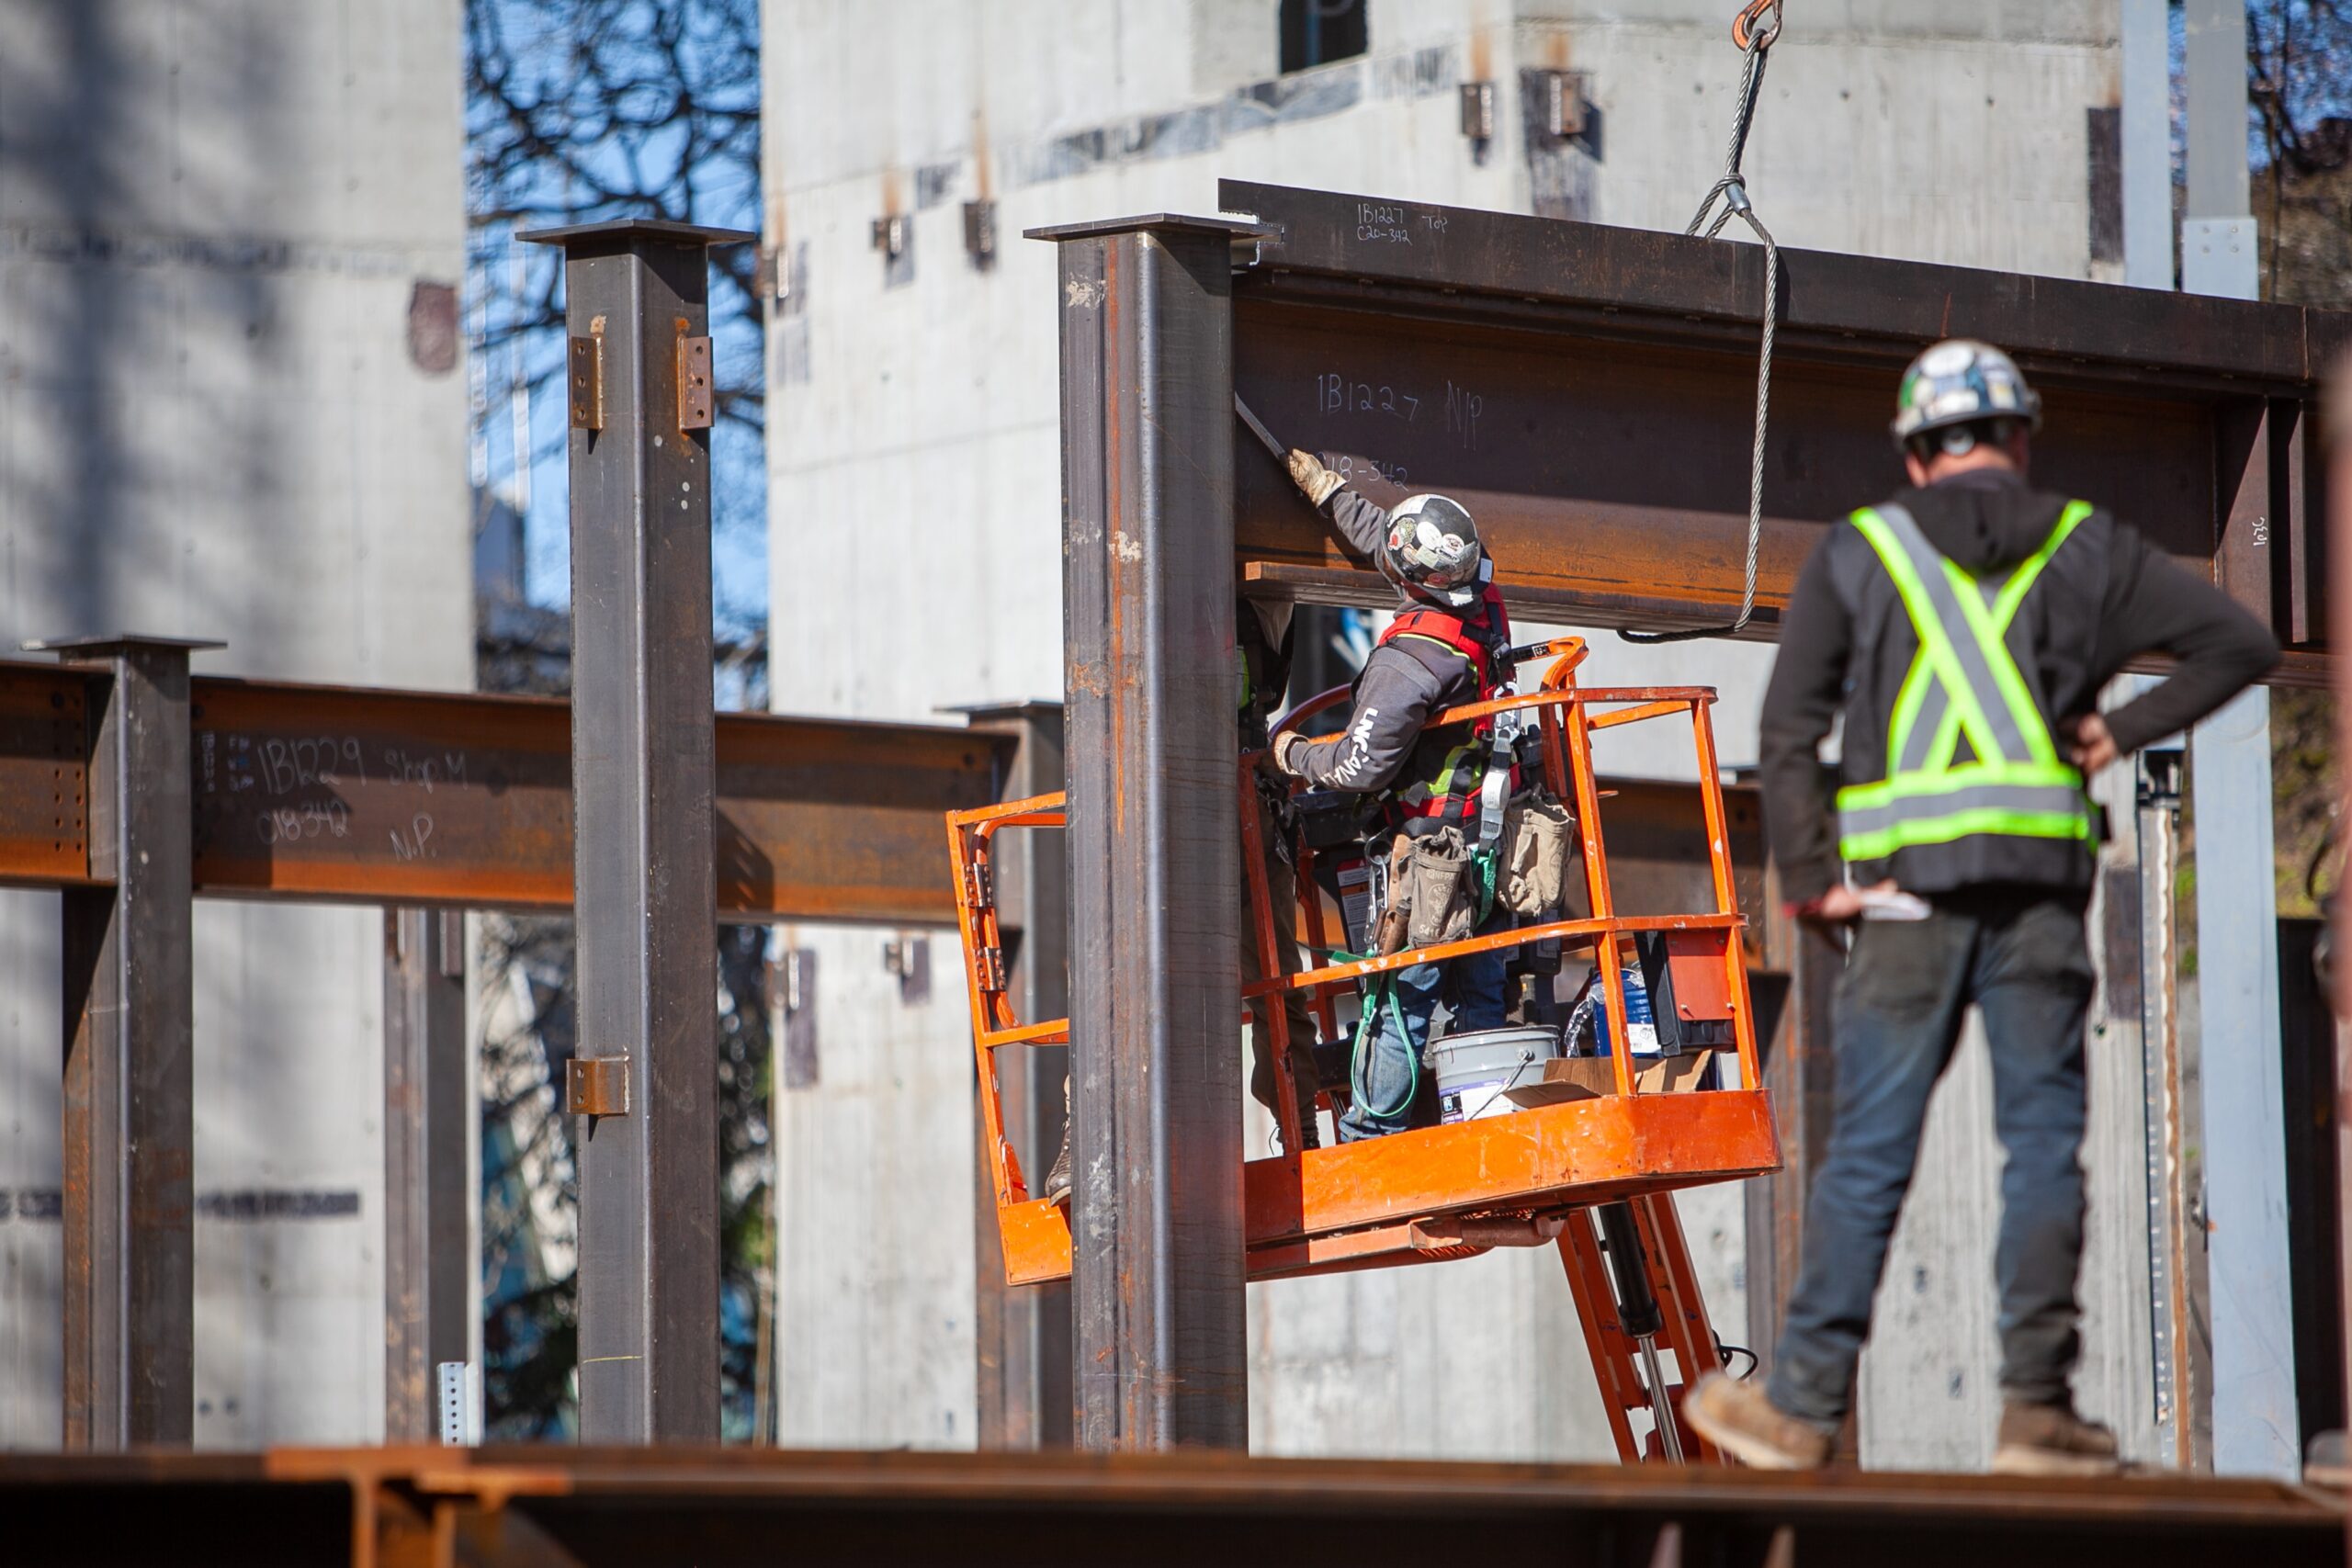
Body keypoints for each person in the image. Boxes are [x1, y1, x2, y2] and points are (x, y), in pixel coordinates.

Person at [1682, 339, 2278, 1474]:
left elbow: (1786, 732)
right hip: (2041, 905)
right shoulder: (2086, 544)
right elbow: (2236, 642)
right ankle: (2035, 1415)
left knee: (1868, 1153)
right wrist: (2118, 731)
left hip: (1902, 903)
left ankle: (1799, 1405)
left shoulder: (1861, 553)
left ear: (1915, 456)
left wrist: (1813, 881)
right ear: (2019, 438)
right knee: (2043, 1148)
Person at [1039, 595, 1328, 1201]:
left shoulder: (1263, 581)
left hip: (1243, 787)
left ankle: (1302, 1129)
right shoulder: (1144, 564)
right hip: (1157, 785)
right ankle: (1086, 1134)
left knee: (1273, 974)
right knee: (1121, 974)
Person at [1268, 450, 1516, 1142]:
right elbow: (1391, 539)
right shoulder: (1480, 602)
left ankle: (1372, 1133)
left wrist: (1290, 753)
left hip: (1431, 853)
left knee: (1399, 992)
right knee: (1479, 984)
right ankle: (1484, 1114)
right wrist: (1328, 492)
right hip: (1488, 840)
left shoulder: (1410, 661)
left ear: (1413, 579)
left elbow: (1356, 767)